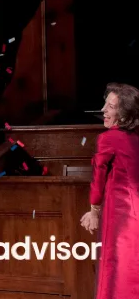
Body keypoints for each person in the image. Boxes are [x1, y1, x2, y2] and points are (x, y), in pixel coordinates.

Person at [80, 82, 139, 299]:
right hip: (134, 214)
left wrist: (93, 211)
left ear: (124, 114)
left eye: (111, 107)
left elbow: (98, 178)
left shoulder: (108, 138)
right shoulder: (135, 138)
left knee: (117, 271)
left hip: (122, 216)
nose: (103, 110)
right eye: (105, 104)